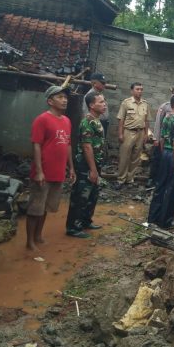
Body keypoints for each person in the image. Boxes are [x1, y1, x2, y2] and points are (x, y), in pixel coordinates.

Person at [27, 85, 75, 251]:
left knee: (46, 207)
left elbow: (68, 145)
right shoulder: (42, 119)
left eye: (65, 97)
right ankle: (29, 241)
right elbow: (36, 145)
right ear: (50, 101)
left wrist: (71, 168)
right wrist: (39, 171)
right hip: (43, 173)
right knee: (35, 208)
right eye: (60, 97)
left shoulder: (67, 121)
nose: (65, 100)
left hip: (58, 172)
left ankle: (38, 236)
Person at [66, 92, 107, 238]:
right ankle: (73, 227)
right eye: (101, 102)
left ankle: (85, 221)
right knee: (81, 196)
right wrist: (93, 169)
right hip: (86, 165)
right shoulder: (87, 122)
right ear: (91, 105)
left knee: (92, 194)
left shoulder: (96, 120)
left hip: (95, 164)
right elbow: (87, 147)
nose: (104, 104)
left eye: (104, 102)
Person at [148, 94, 174, 229]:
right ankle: (165, 222)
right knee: (173, 189)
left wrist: (163, 153)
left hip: (165, 153)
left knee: (160, 186)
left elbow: (163, 139)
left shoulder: (167, 118)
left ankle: (152, 218)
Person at [148, 86, 174, 188]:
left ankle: (163, 183)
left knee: (169, 165)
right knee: (158, 159)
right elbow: (158, 123)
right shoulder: (165, 106)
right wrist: (156, 138)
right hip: (164, 141)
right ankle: (152, 179)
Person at [116, 82, 149, 188]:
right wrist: (120, 133)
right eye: (137, 89)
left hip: (140, 132)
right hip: (128, 132)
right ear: (132, 91)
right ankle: (121, 179)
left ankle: (130, 179)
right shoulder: (126, 103)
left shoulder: (145, 103)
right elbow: (121, 119)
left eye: (141, 89)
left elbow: (147, 120)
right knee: (124, 156)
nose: (140, 91)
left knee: (135, 157)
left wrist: (146, 134)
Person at [83, 73, 110, 138]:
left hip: (101, 123)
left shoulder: (99, 94)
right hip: (94, 124)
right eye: (102, 83)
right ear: (94, 83)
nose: (104, 85)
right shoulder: (89, 96)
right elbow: (86, 113)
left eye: (104, 83)